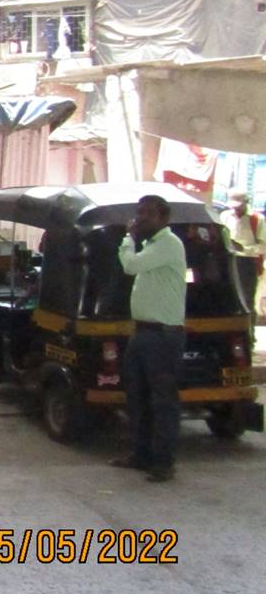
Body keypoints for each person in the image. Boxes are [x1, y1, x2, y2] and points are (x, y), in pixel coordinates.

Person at [110, 194, 186, 483]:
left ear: (163, 218)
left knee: (163, 400)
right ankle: (141, 455)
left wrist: (128, 238)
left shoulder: (168, 244)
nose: (141, 218)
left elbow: (130, 266)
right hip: (143, 333)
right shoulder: (153, 245)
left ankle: (163, 462)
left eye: (148, 213)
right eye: (139, 212)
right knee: (137, 397)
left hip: (162, 336)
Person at [219, 191, 265, 321]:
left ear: (246, 203)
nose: (236, 210)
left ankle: (249, 331)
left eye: (239, 206)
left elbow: (263, 247)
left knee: (247, 299)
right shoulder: (225, 216)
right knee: (229, 297)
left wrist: (243, 248)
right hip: (229, 260)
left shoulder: (257, 219)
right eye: (233, 207)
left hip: (248, 262)